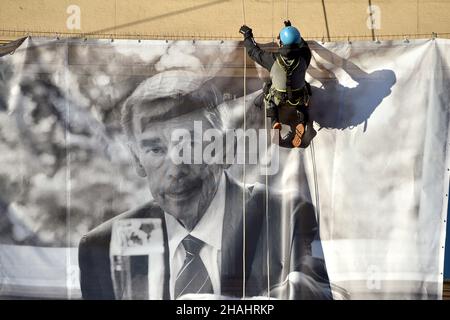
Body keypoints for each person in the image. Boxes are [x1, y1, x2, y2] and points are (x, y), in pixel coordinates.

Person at [78, 69, 332, 300]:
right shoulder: (102, 246)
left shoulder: (286, 217)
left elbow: (319, 293)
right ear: (137, 160)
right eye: (155, 149)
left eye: (191, 145)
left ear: (224, 149)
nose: (176, 169)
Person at [239, 21, 314, 148]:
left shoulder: (272, 59)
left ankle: (275, 121)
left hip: (278, 98)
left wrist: (247, 36)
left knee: (268, 91)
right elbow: (303, 45)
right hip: (298, 98)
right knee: (305, 95)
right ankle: (302, 121)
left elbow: (253, 51)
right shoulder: (305, 56)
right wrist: (289, 30)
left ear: (281, 43)